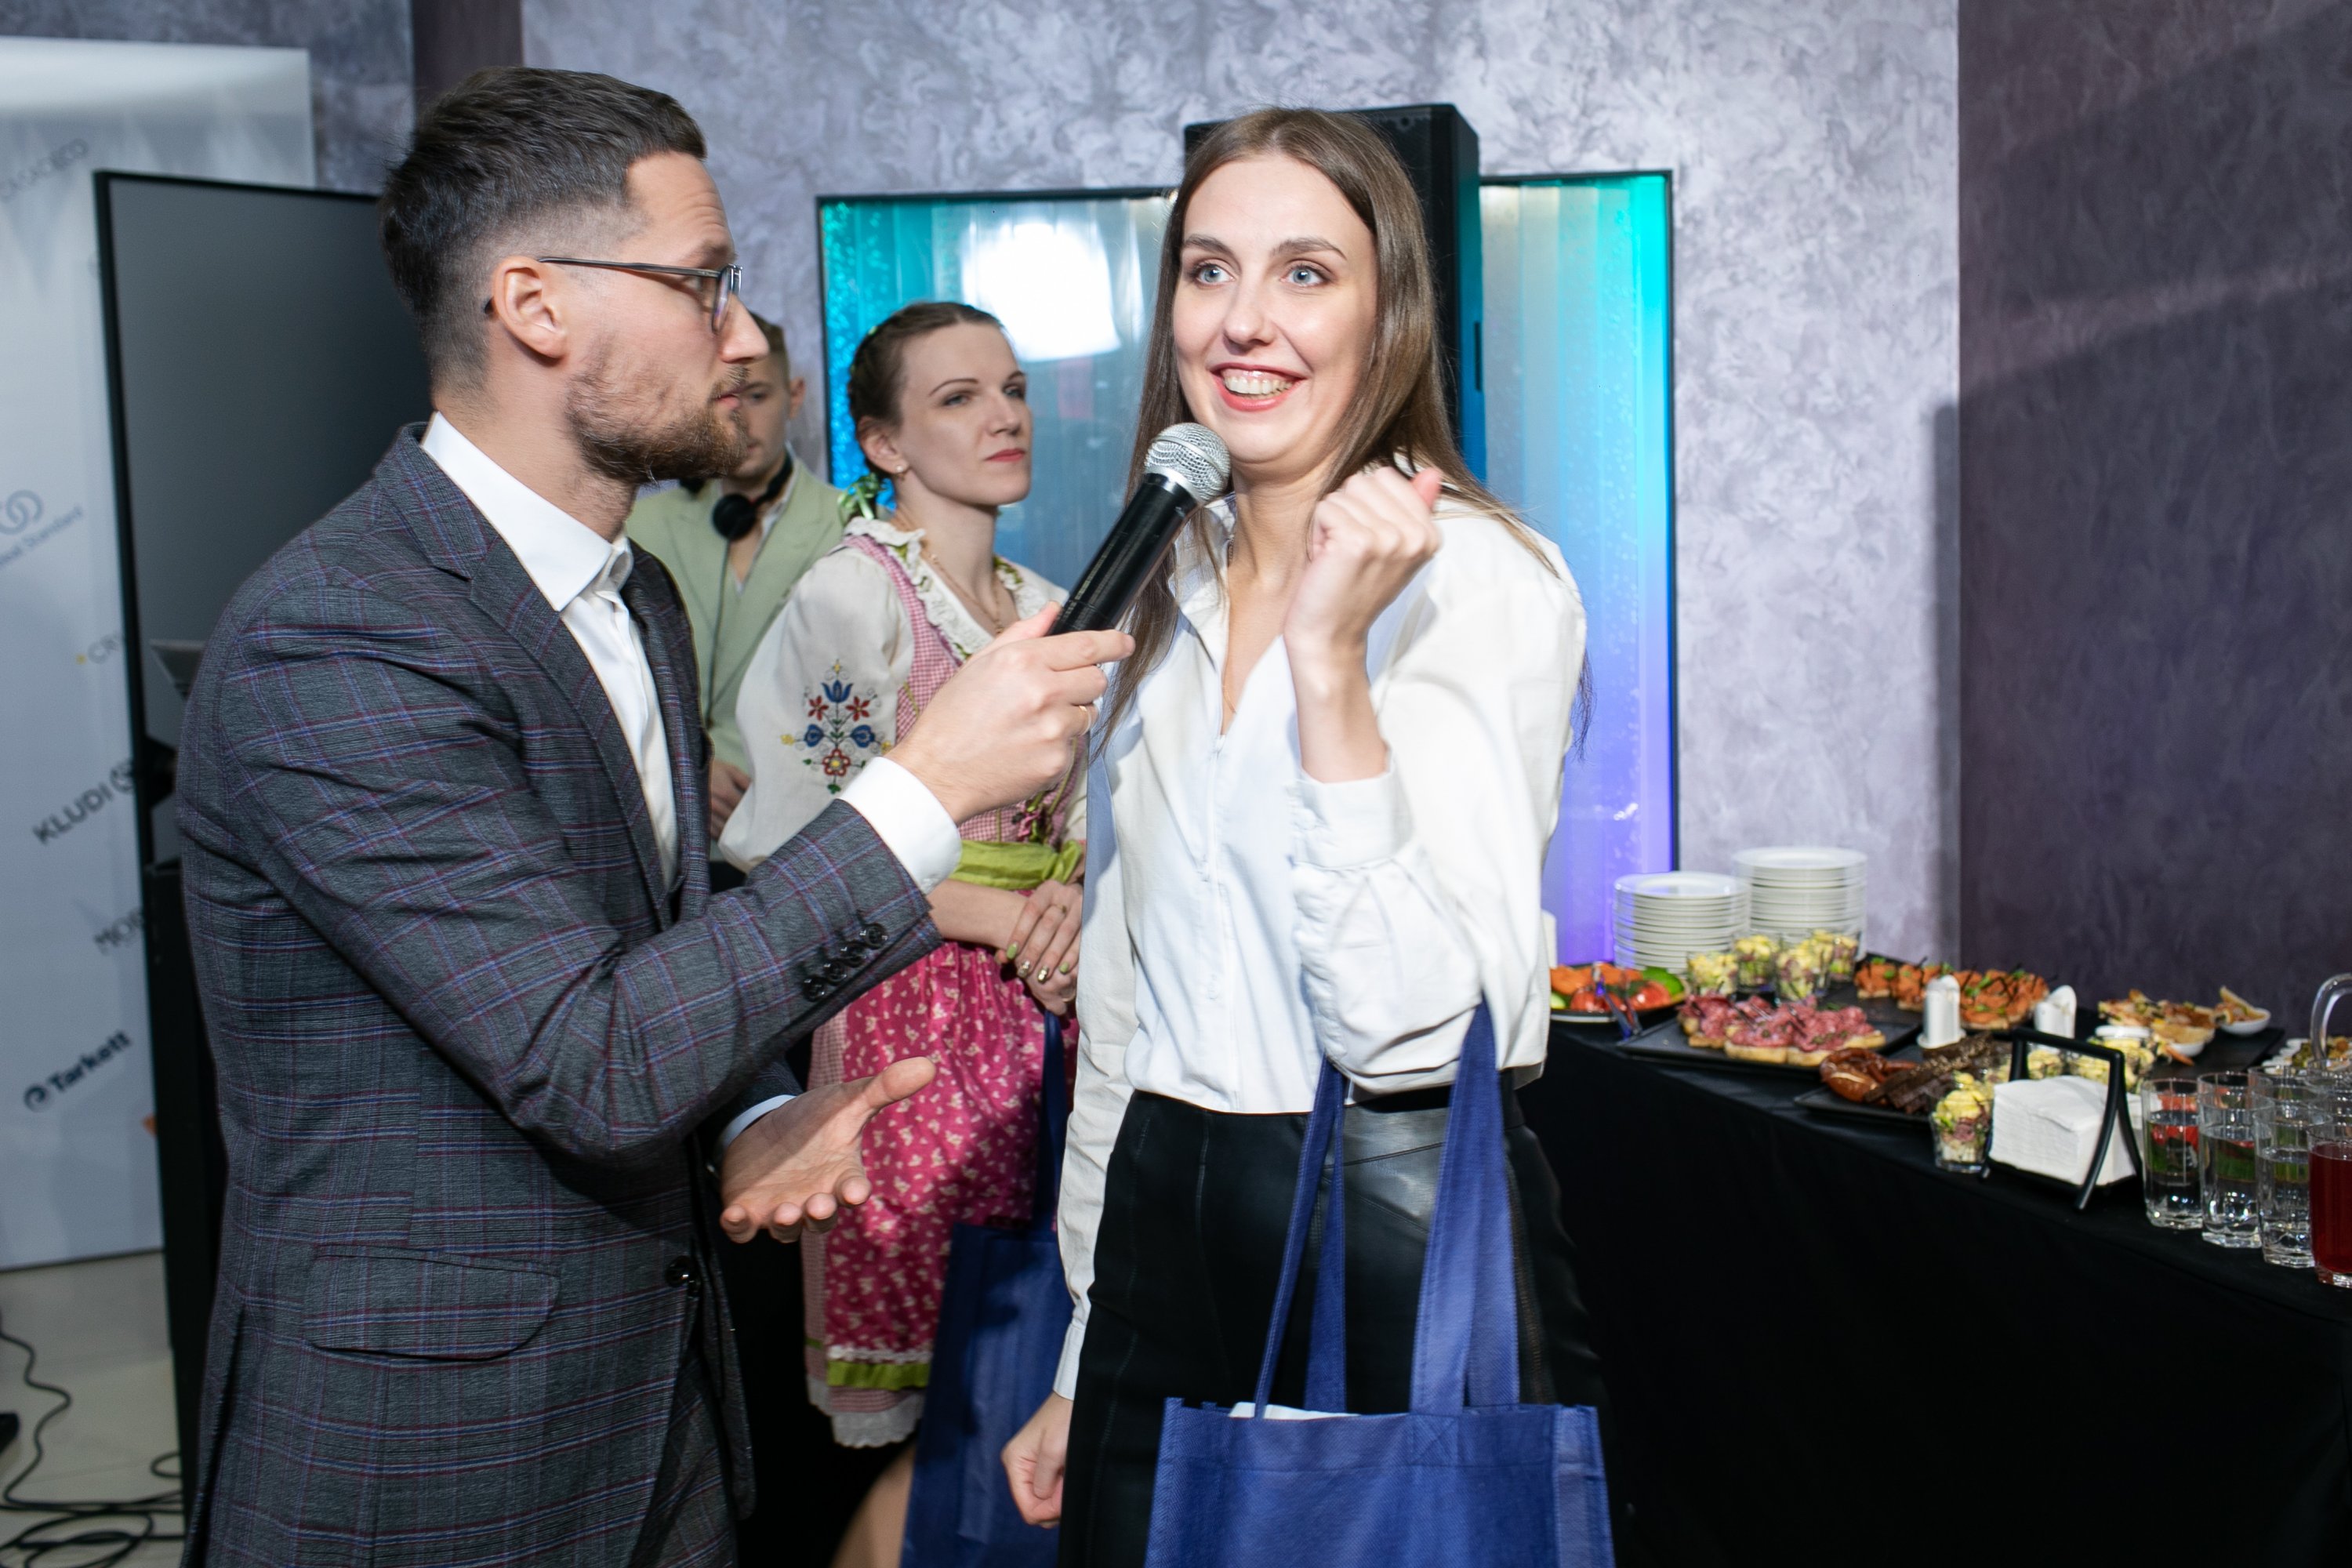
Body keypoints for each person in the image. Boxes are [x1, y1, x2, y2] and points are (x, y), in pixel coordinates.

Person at [170, 67, 1127, 1567]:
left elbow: (645, 954)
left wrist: (747, 1116)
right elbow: (589, 1055)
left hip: (659, 1406)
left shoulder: (641, 606)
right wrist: (930, 786)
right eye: (700, 284)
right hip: (431, 1457)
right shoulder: (340, 636)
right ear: (536, 306)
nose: (742, 340)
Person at [998, 108, 1606, 1567]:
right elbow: (1128, 1013)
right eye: (1208, 270)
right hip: (1155, 1235)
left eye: (1306, 274)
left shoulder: (1478, 581)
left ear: (1389, 312)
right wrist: (1085, 1344)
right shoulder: (1166, 584)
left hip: (1383, 1240)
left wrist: (1330, 665)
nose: (1243, 322)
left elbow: (1416, 1032)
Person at [722, 301, 1083, 1567]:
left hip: (1040, 1025)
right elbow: (798, 846)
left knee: (1018, 1377)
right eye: (957, 398)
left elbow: (1076, 826)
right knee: (926, 1406)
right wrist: (1000, 910)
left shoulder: (1049, 605)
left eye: (1013, 389)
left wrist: (1068, 902)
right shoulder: (853, 594)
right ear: (881, 442)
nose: (1004, 416)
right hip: (907, 1017)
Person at [625, 311, 843, 857]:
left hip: (808, 833)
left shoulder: (856, 529)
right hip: (673, 831)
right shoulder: (637, 527)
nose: (741, 415)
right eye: (727, 395)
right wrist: (687, 766)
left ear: (795, 397)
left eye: (759, 396)